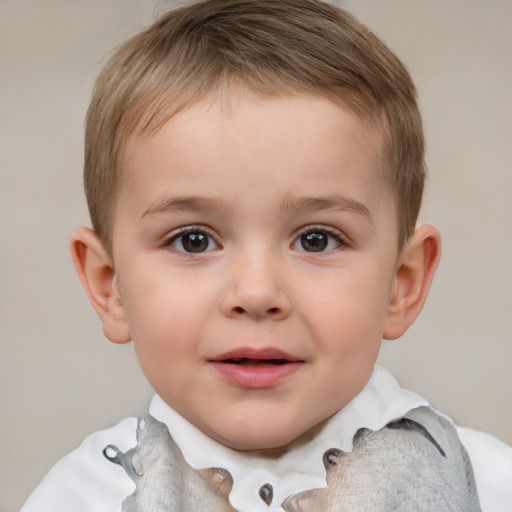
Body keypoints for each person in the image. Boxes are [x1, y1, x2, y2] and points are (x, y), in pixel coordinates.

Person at [20, 0, 512, 510]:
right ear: (110, 285)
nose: (256, 293)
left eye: (316, 239)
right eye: (193, 240)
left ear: (401, 282)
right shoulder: (78, 498)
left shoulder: (487, 487)